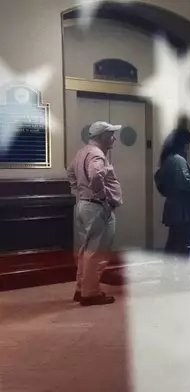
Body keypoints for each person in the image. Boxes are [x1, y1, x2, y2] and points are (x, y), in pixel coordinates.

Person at [67, 121, 123, 306]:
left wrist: (81, 191)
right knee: (97, 251)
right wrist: (101, 197)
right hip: (97, 206)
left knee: (86, 250)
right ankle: (90, 293)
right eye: (111, 134)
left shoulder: (82, 152)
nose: (114, 137)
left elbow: (70, 173)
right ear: (101, 137)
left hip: (84, 204)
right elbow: (96, 175)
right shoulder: (97, 155)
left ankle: (82, 287)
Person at [154, 128, 190, 288]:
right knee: (182, 246)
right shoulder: (178, 160)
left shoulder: (167, 160)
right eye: (187, 144)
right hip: (182, 209)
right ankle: (183, 281)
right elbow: (187, 183)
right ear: (182, 144)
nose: (188, 148)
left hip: (172, 206)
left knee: (172, 245)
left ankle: (167, 278)